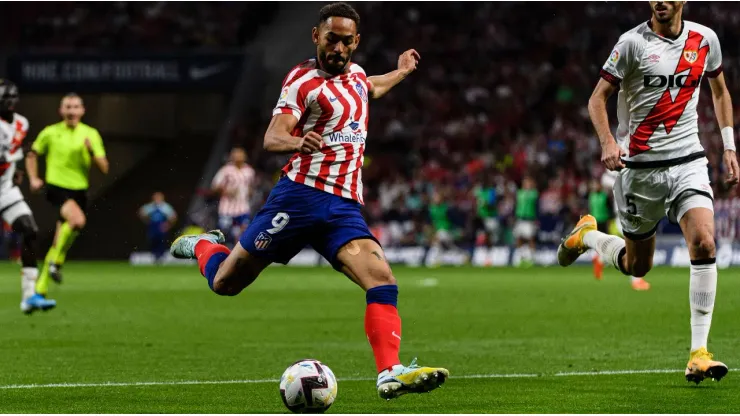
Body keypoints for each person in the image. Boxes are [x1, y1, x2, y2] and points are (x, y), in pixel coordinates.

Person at [170, 2, 447, 400]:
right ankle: (203, 245)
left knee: (382, 280)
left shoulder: (356, 77)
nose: (338, 48)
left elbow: (372, 87)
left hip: (342, 207)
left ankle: (389, 372)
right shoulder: (302, 82)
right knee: (225, 283)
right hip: (298, 199)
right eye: (331, 39)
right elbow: (272, 136)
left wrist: (401, 72)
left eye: (346, 41)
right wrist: (297, 141)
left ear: (356, 42)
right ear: (316, 36)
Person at [558, 1, 735, 384]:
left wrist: (729, 146)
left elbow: (720, 92)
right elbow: (596, 98)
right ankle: (587, 236)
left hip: (688, 161)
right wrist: (608, 142)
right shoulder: (631, 44)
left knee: (704, 242)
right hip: (639, 171)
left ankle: (699, 353)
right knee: (638, 266)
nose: (661, 1)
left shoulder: (705, 39)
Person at [26, 93, 109, 303]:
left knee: (61, 238)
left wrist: (91, 151)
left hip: (79, 191)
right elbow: (32, 154)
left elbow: (105, 168)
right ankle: (57, 261)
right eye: (68, 107)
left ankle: (39, 291)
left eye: (75, 107)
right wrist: (34, 178)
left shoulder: (90, 134)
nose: (71, 111)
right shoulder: (50, 132)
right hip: (56, 188)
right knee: (77, 220)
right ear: (61, 110)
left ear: (82, 111)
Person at [0, 79, 55, 313]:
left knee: (30, 230)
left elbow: (11, 153)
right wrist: (18, 156)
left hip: (4, 190)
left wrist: (16, 170)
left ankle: (29, 296)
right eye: (4, 97)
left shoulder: (22, 123)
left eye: (12, 97)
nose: (9, 101)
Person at [211, 147, 255, 245]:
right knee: (224, 233)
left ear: (245, 156)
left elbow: (251, 186)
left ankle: (236, 252)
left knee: (243, 233)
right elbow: (215, 186)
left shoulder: (249, 171)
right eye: (235, 154)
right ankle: (220, 251)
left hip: (243, 208)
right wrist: (226, 191)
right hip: (227, 208)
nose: (238, 156)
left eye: (240, 154)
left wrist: (249, 192)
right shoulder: (226, 170)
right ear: (231, 156)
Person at [138, 192, 177, 261]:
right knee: (152, 241)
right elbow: (141, 213)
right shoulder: (150, 206)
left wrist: (167, 225)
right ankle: (154, 255)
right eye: (156, 197)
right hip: (153, 226)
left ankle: (160, 256)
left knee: (161, 241)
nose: (157, 199)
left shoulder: (165, 207)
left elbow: (173, 217)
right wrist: (147, 221)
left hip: (161, 226)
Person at [513, 176, 538, 267]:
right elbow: (516, 205)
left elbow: (535, 203)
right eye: (525, 183)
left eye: (528, 183)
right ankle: (520, 256)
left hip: (529, 219)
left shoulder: (533, 193)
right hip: (519, 218)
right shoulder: (519, 193)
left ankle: (532, 258)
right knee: (518, 238)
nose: (527, 184)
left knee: (530, 238)